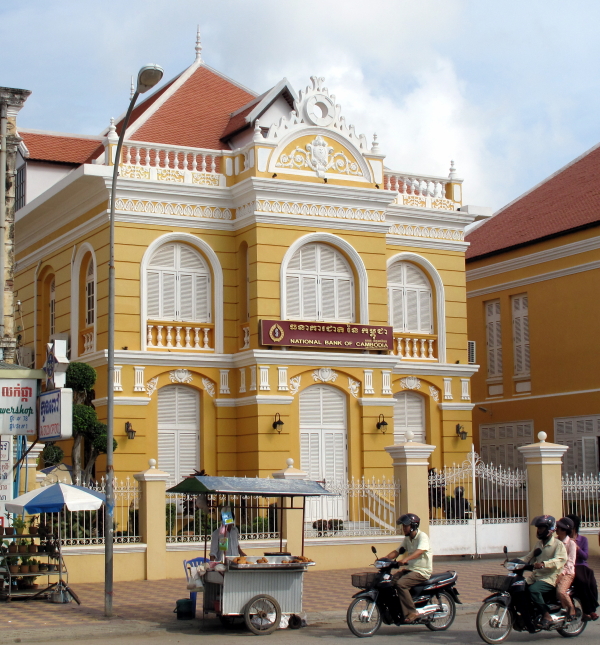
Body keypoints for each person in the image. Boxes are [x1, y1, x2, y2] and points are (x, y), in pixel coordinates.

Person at [518, 515, 567, 630]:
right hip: (536, 576)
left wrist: (544, 564)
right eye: (538, 528)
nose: (539, 530)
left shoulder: (558, 545)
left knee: (533, 590)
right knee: (519, 588)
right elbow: (528, 557)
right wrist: (514, 562)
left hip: (549, 577)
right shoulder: (538, 544)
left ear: (550, 529)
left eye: (542, 528)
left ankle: (546, 615)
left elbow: (560, 560)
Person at [384, 513, 432, 624]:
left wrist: (406, 559)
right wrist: (385, 559)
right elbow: (397, 551)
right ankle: (397, 610)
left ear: (413, 526)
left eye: (406, 526)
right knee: (389, 581)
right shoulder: (407, 539)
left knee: (401, 584)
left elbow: (420, 551)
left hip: (421, 571)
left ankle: (412, 612)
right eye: (403, 526)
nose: (404, 528)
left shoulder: (422, 536)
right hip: (411, 569)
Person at [566, 513, 599, 621]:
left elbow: (585, 557)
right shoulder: (563, 540)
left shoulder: (583, 539)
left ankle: (592, 610)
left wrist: (576, 547)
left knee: (592, 584)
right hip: (571, 566)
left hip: (581, 565)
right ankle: (588, 611)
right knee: (582, 582)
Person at [555, 517, 577, 621]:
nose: (556, 529)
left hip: (567, 573)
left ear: (564, 530)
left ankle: (571, 607)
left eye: (559, 528)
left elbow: (570, 562)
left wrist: (562, 573)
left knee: (560, 591)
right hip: (554, 571)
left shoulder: (571, 544)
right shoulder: (555, 542)